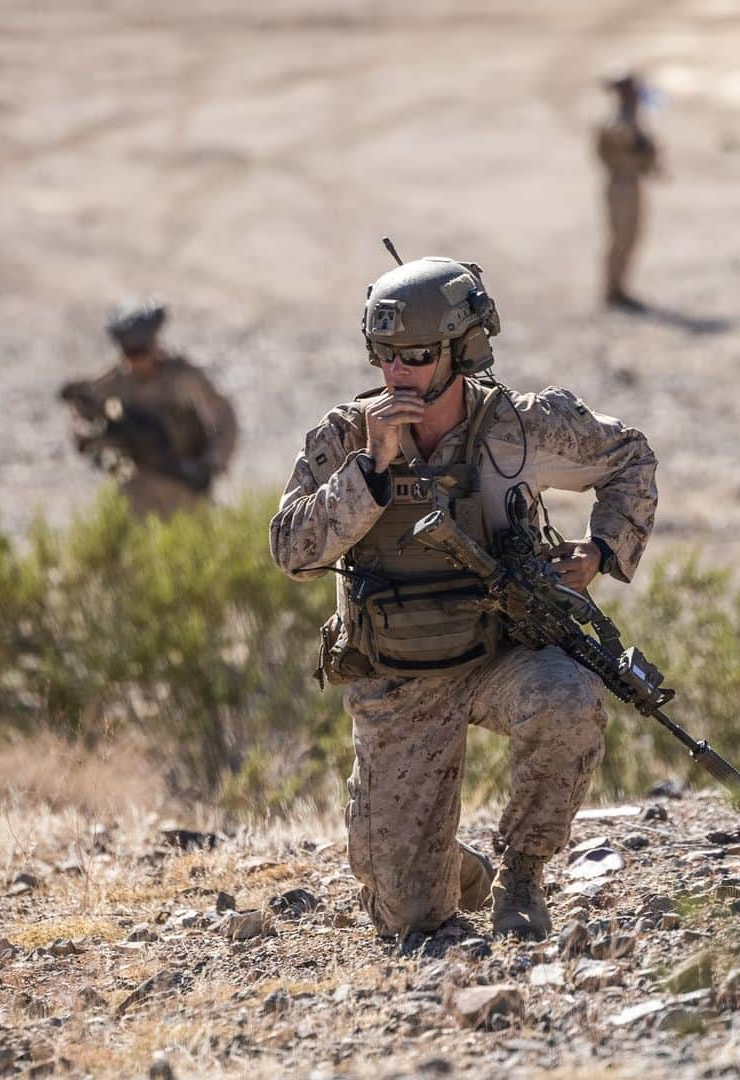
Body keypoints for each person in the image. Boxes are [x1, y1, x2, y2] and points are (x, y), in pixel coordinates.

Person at [269, 254, 658, 941]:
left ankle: (522, 875)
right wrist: (372, 470)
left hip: (498, 657)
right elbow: (293, 552)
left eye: (416, 355)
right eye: (384, 354)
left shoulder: (521, 428)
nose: (397, 372)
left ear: (462, 349)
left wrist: (600, 551)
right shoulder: (345, 436)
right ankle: (449, 868)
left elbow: (629, 456)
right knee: (409, 918)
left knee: (569, 700)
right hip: (399, 680)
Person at [60, 299, 237, 518]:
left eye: (141, 350)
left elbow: (224, 418)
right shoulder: (116, 380)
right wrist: (91, 436)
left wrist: (210, 464)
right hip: (138, 488)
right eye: (130, 352)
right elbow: (83, 415)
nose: (136, 360)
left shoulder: (182, 378)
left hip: (183, 486)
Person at [597, 72, 661, 310]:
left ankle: (619, 287)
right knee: (621, 238)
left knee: (631, 236)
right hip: (621, 185)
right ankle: (613, 290)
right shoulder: (618, 121)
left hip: (630, 182)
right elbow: (619, 144)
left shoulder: (631, 117)